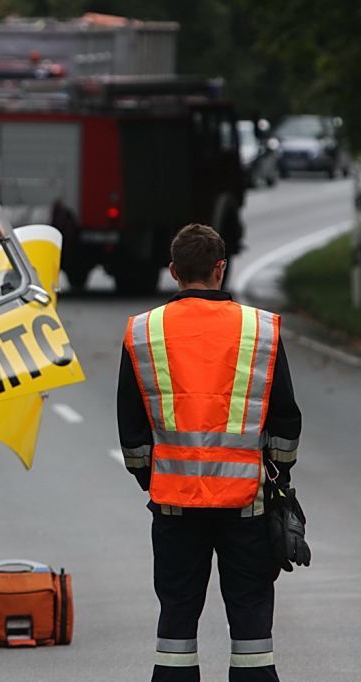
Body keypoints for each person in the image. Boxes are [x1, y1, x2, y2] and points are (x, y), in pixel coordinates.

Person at [116, 223, 303, 681]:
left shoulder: (143, 331)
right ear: (221, 268)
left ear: (173, 271)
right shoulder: (259, 329)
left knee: (177, 621)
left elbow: (132, 429)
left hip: (175, 504)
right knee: (251, 622)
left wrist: (152, 476)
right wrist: (276, 474)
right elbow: (285, 419)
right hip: (247, 504)